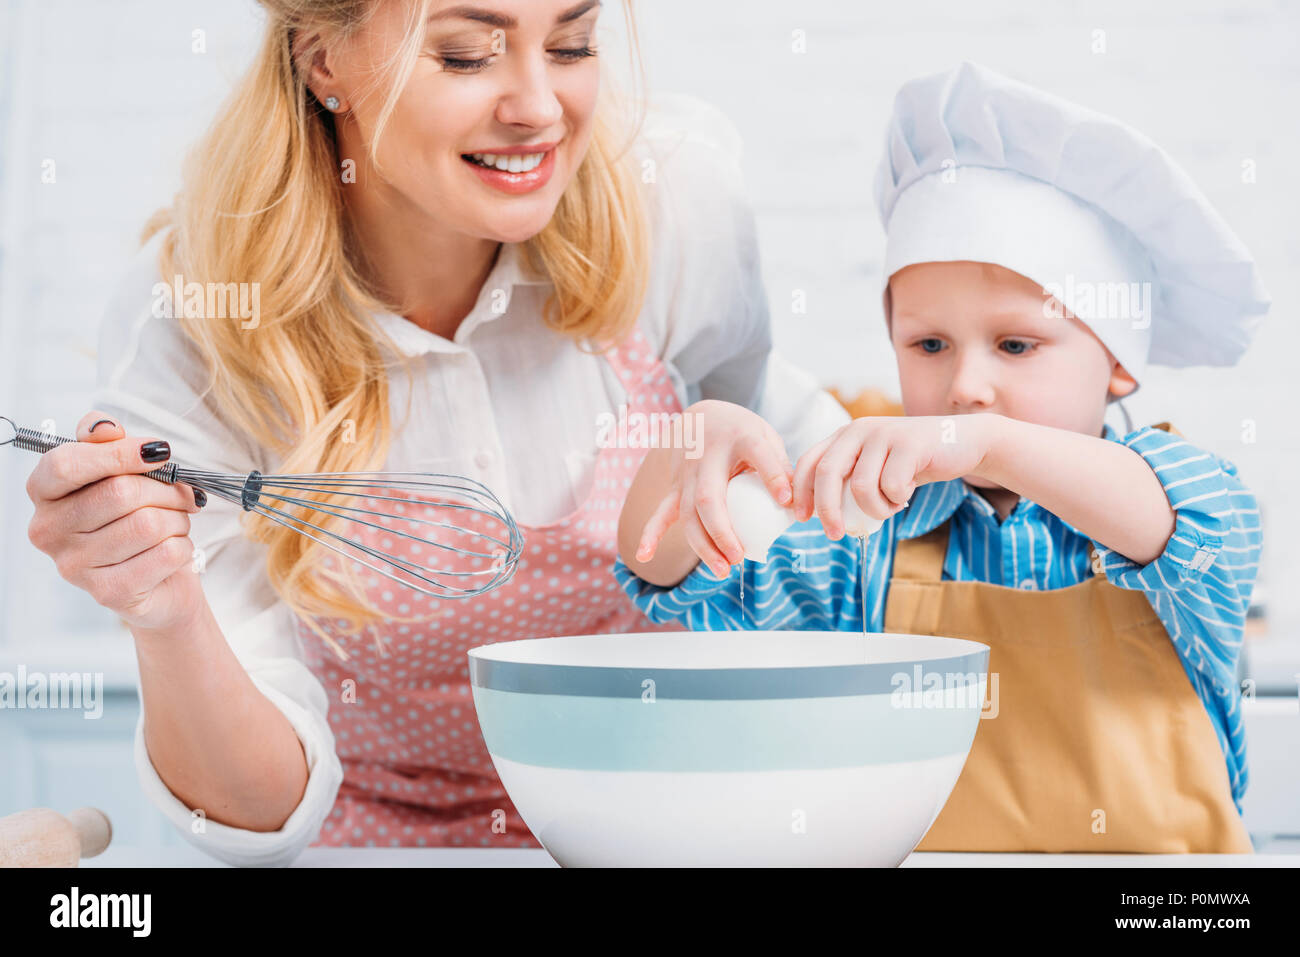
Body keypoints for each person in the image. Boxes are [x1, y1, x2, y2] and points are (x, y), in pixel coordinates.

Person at [22, 0, 848, 866]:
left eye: (571, 44)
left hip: (681, 826)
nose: (538, 106)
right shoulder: (203, 331)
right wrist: (163, 608)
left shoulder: (673, 210)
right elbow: (257, 813)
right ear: (323, 61)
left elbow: (780, 465)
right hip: (383, 850)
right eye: (464, 55)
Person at [615, 62, 1269, 853]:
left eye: (1015, 344)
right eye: (929, 344)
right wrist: (685, 447)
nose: (966, 386)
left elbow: (1158, 517)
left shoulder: (1183, 501)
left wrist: (986, 444)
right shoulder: (866, 548)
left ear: (1120, 360)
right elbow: (672, 585)